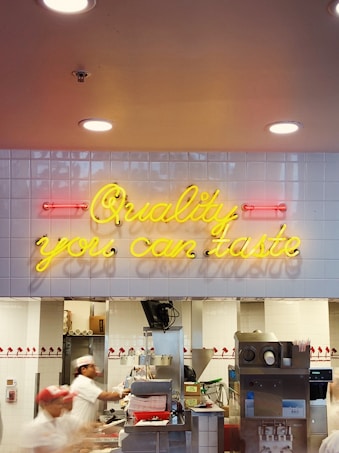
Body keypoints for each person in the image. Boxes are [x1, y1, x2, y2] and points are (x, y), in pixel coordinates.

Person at [20, 385, 88, 453]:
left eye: (62, 403)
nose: (62, 407)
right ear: (45, 404)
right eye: (58, 404)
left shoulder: (58, 422)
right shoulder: (34, 427)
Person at [70, 355, 130, 426]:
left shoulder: (87, 382)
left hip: (84, 427)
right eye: (92, 366)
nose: (95, 369)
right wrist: (127, 391)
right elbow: (106, 396)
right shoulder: (82, 383)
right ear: (83, 369)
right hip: (78, 428)